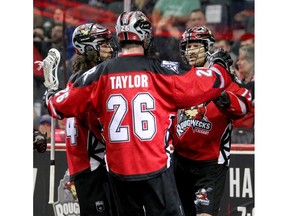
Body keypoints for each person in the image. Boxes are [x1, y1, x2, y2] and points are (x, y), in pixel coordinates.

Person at [43, 11, 234, 216]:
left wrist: (51, 93)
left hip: (118, 172)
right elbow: (212, 83)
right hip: (156, 168)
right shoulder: (161, 70)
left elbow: (57, 106)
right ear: (145, 36)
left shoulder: (99, 73)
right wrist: (220, 67)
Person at [170, 26, 253, 216]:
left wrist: (223, 97)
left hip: (210, 165)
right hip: (180, 160)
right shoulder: (179, 77)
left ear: (208, 47)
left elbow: (244, 105)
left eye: (196, 45)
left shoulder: (223, 78)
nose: (190, 51)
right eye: (187, 46)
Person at [62, 23, 118, 216]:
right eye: (103, 44)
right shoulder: (88, 81)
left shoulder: (76, 79)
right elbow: (99, 126)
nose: (110, 48)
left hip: (84, 166)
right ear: (88, 47)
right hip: (93, 168)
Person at [232, 45, 255, 143]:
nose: (238, 63)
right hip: (236, 131)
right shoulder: (242, 81)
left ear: (252, 61)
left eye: (242, 59)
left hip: (251, 133)